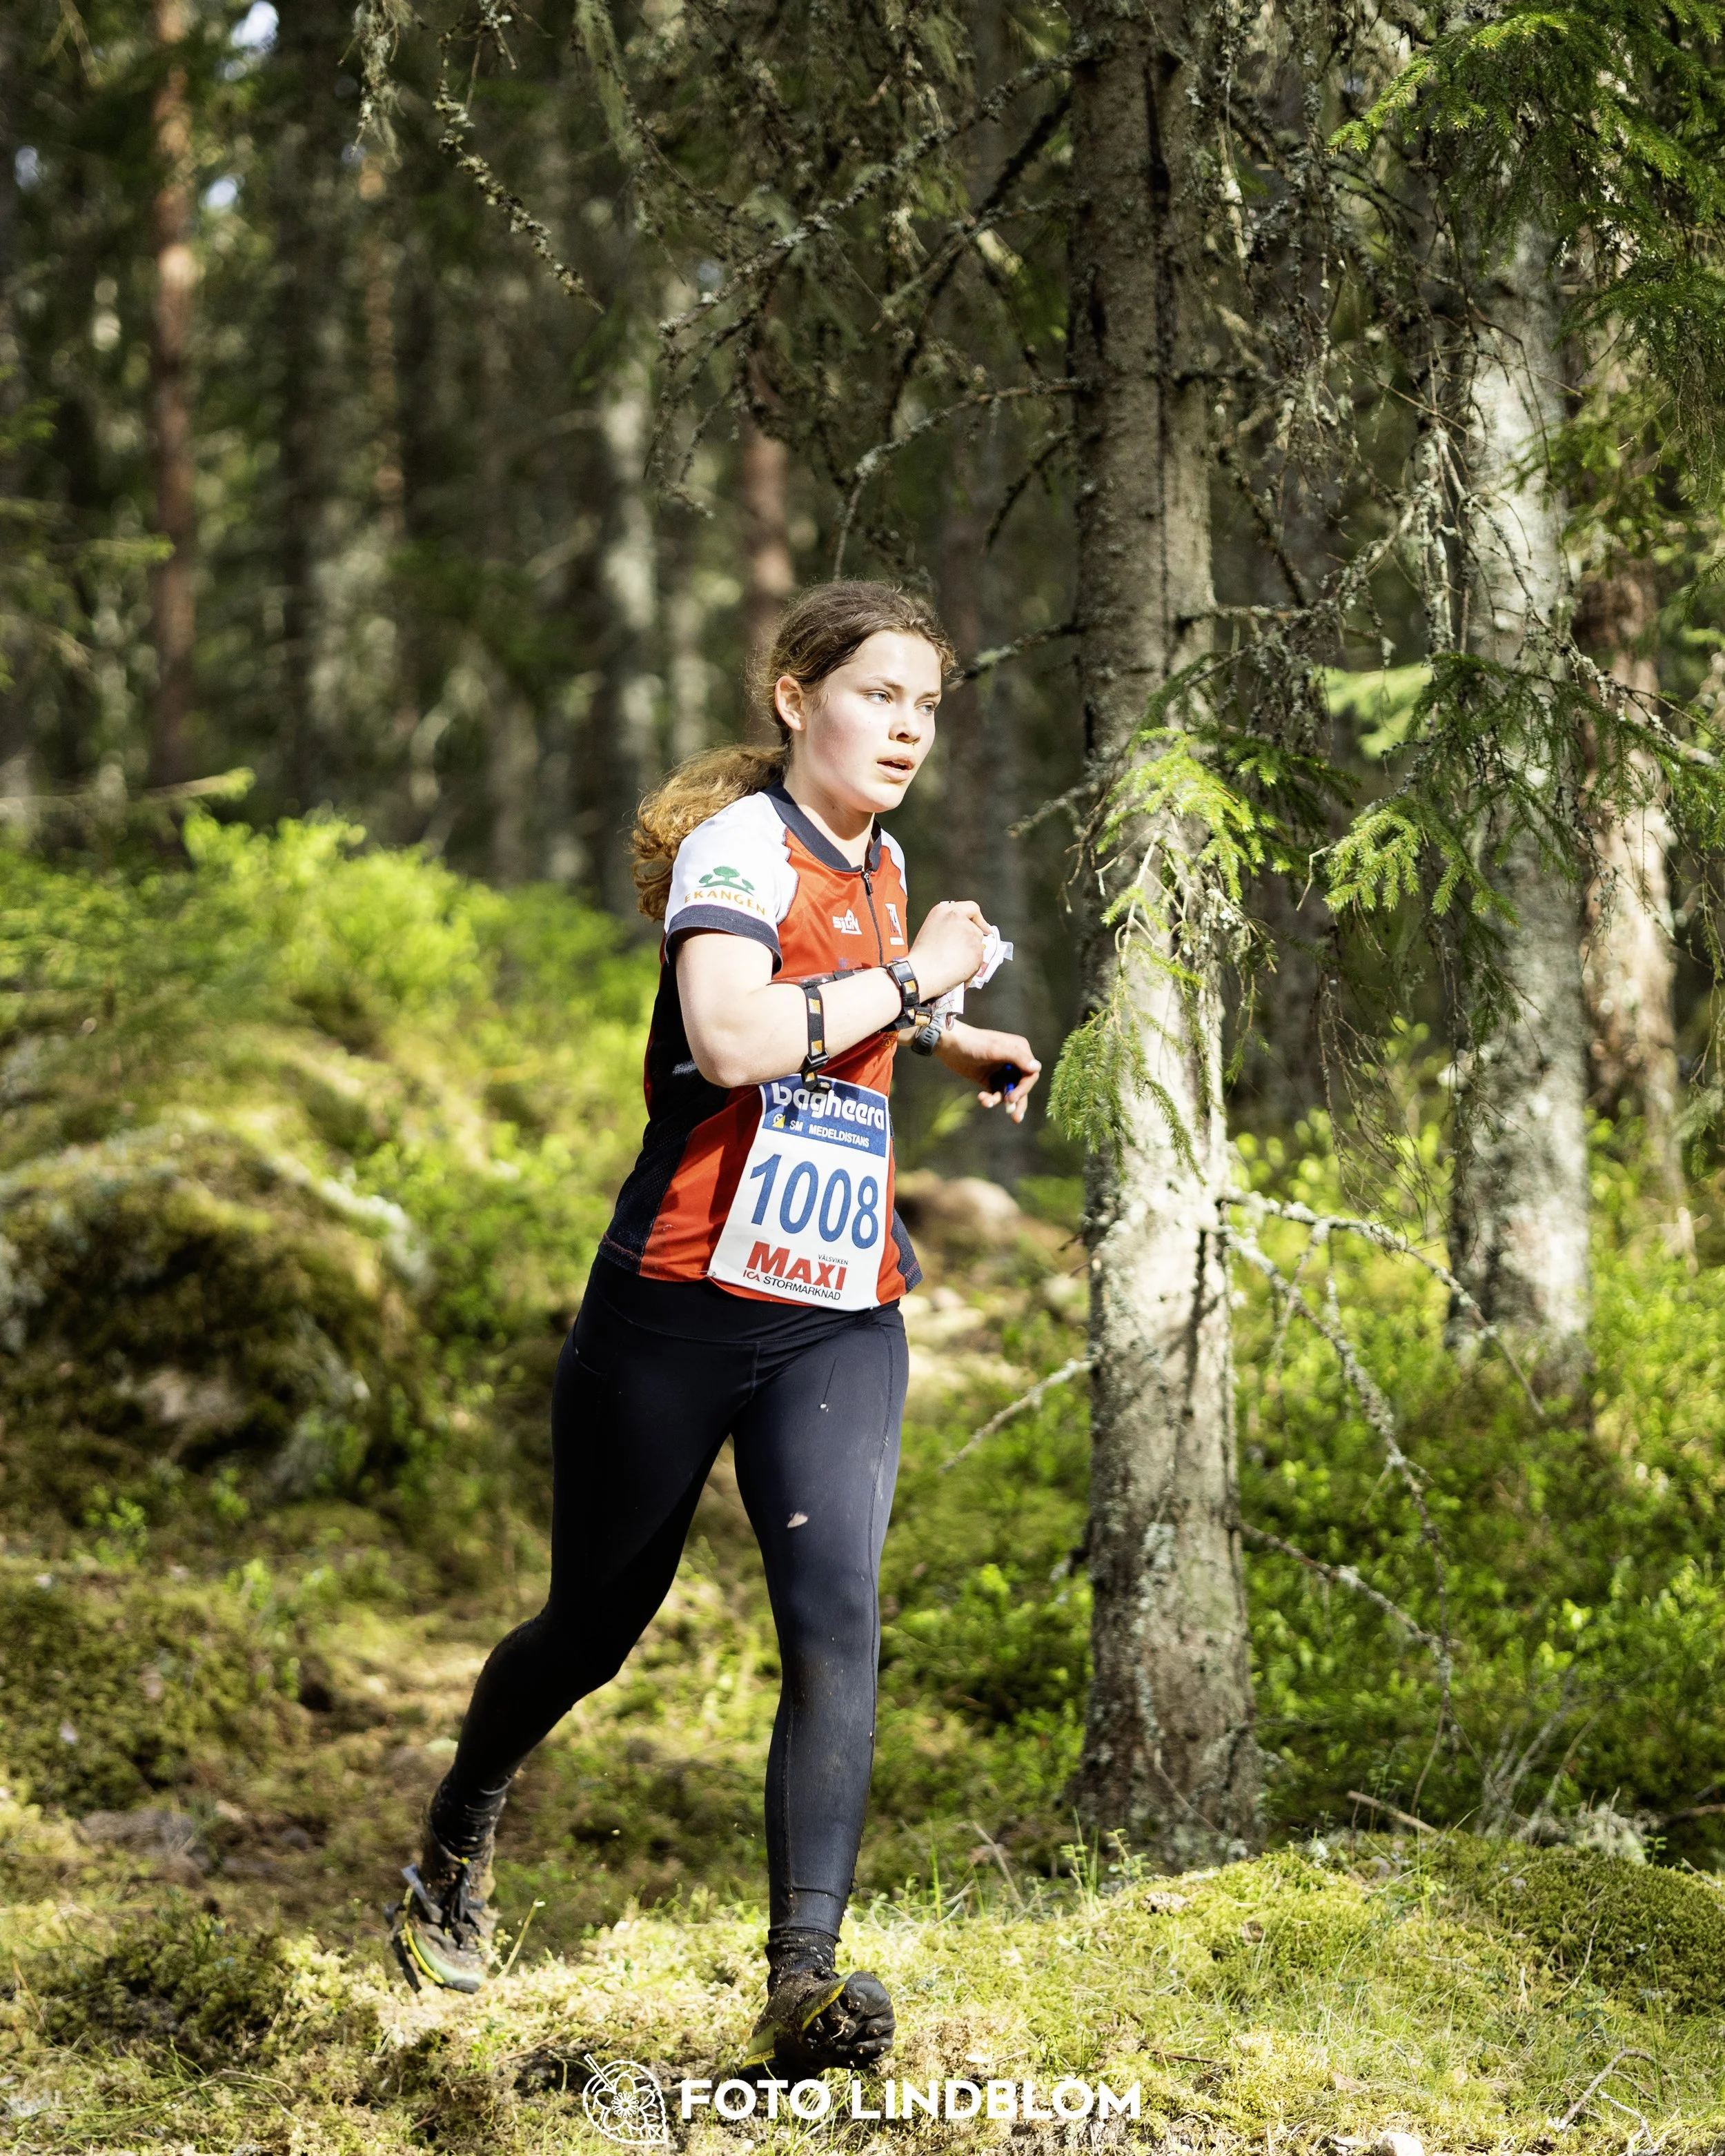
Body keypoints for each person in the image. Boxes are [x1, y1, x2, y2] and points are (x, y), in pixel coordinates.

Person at [389, 580, 1041, 2078]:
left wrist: (946, 1036)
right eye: (879, 694)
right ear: (793, 693)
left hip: (836, 1308)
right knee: (593, 1627)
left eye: (926, 705)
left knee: (833, 1618)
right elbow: (731, 1035)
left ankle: (802, 1981)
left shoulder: (875, 858)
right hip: (678, 1303)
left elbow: (845, 1002)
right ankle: (453, 1836)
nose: (905, 728)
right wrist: (920, 977)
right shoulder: (733, 847)